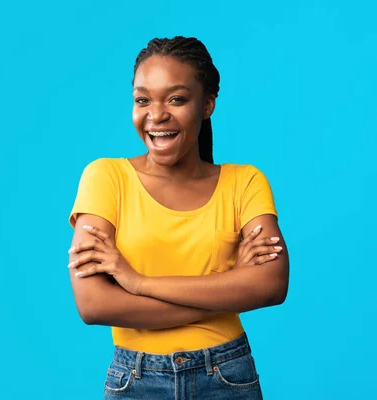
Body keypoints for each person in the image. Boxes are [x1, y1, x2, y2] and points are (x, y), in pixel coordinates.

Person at [68, 36, 289, 399]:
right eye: (143, 100)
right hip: (136, 379)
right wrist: (230, 286)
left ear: (207, 104)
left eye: (177, 99)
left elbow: (270, 286)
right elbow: (94, 304)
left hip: (227, 376)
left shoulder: (245, 183)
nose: (156, 116)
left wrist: (138, 282)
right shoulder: (105, 178)